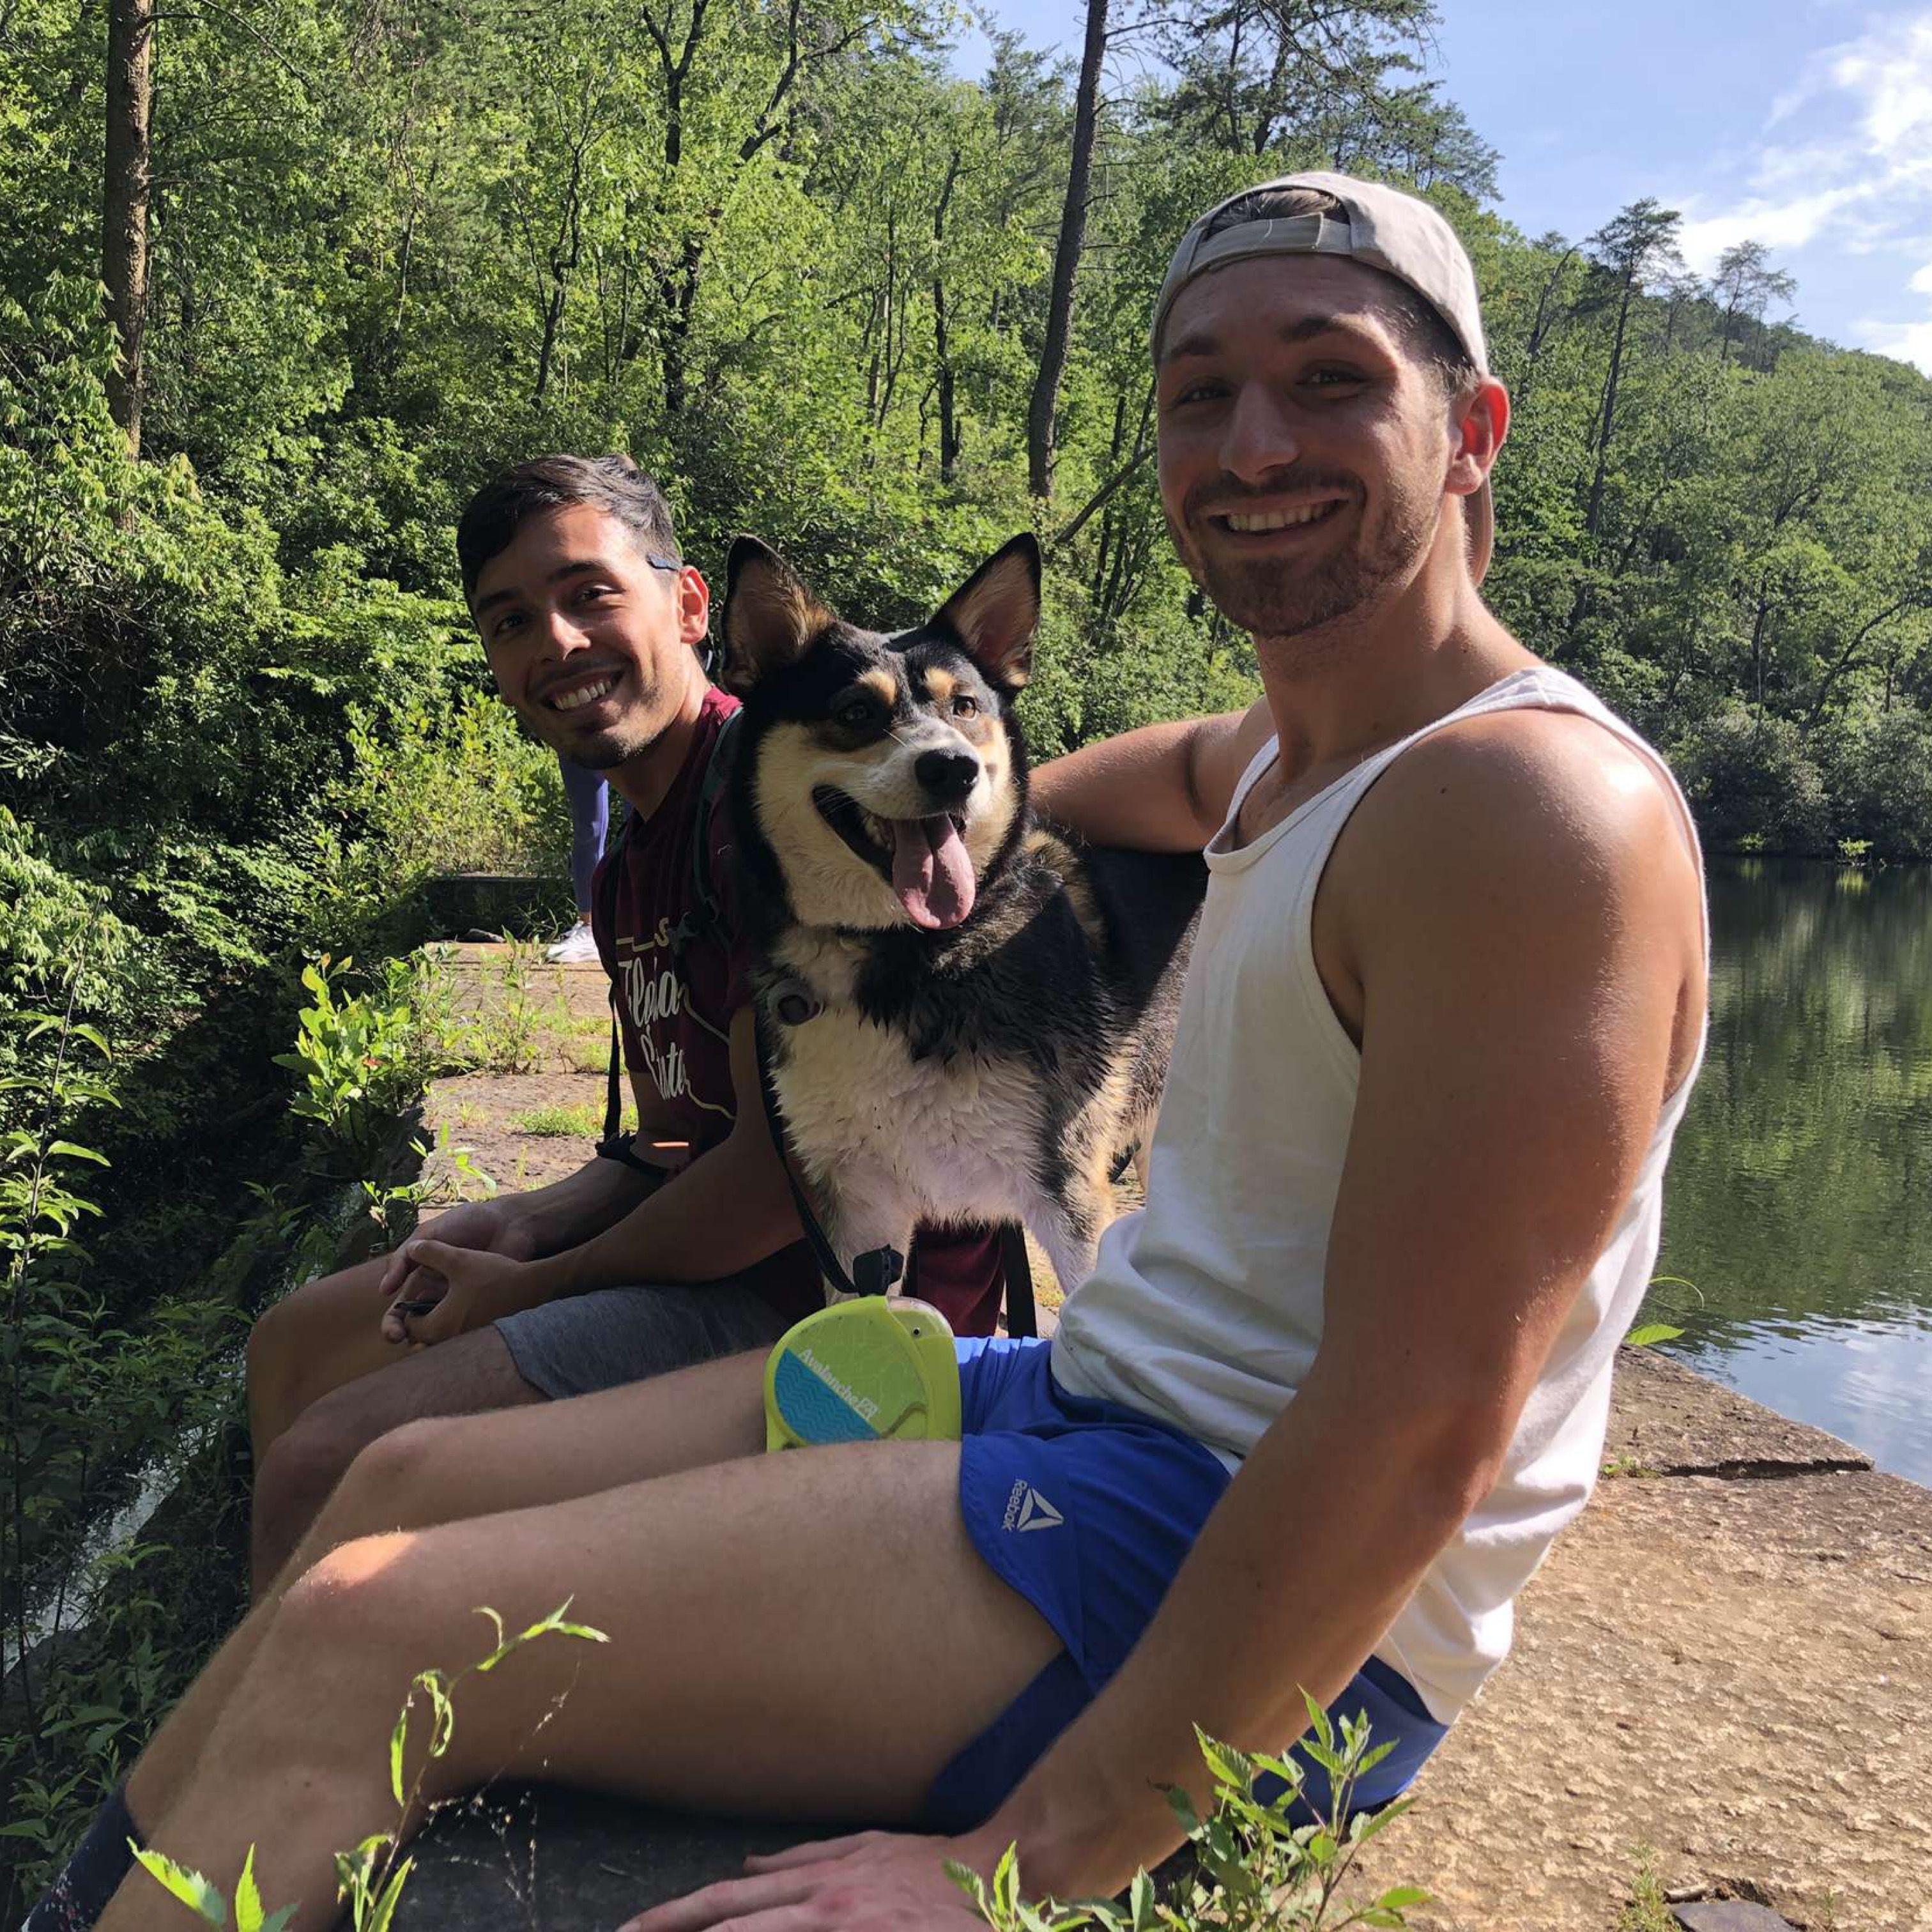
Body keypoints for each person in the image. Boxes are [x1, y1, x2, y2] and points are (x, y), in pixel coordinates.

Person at [37, 172, 1707, 1932]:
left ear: (1472, 433)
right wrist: (940, 851)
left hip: (1237, 1565)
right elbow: (1104, 780)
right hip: (1087, 1397)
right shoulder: (1285, 765)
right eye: (1199, 393)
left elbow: (1422, 1429)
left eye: (1331, 378)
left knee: (369, 1635)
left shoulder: (1526, 811)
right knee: (391, 1480)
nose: (1254, 442)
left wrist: (1024, 1861)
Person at [239, 455, 1004, 1590]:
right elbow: (678, 1138)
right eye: (510, 620)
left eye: (588, 593)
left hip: (843, 1314)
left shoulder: (774, 813)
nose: (555, 642)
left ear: (691, 606)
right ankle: (285, 1638)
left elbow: (777, 1184)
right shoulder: (634, 855)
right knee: (293, 1343)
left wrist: (533, 1284)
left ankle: (290, 1688)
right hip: (723, 1268)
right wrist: (519, 1217)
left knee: (328, 1462)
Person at [546, 753, 609, 963]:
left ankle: (642, 923)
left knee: (642, 818)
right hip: (579, 738)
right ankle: (590, 927)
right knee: (588, 825)